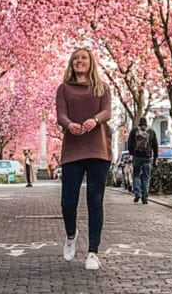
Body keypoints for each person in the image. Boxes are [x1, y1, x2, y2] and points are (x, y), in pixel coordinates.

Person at [55, 47, 112, 272]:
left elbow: (107, 111)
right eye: (76, 58)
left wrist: (95, 120)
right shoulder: (64, 89)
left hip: (98, 149)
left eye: (84, 58)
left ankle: (93, 253)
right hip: (72, 149)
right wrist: (69, 124)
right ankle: (71, 235)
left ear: (91, 63)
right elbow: (60, 115)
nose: (80, 61)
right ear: (71, 64)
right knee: (68, 202)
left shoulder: (102, 87)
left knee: (94, 202)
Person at [127, 116, 158, 204]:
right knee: (146, 177)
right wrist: (155, 158)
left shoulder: (134, 130)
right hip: (147, 157)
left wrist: (132, 153)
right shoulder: (151, 131)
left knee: (136, 175)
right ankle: (145, 198)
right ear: (146, 122)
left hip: (137, 156)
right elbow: (155, 146)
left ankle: (137, 193)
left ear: (139, 122)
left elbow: (129, 144)